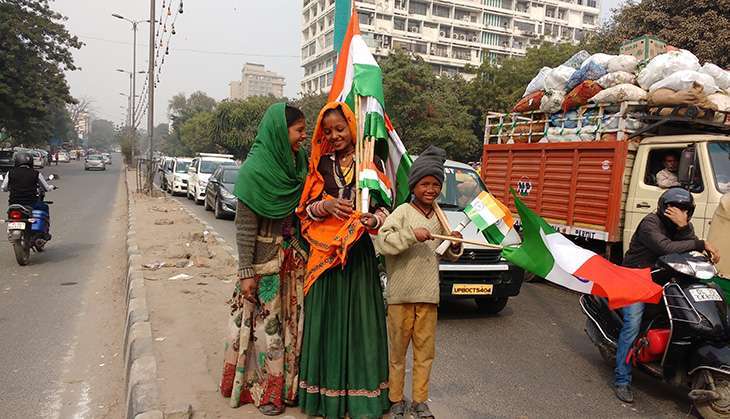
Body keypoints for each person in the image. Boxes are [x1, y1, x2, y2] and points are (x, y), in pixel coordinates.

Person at [296, 102, 391, 418]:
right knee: (327, 323)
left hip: (358, 254)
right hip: (326, 256)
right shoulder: (321, 164)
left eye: (340, 128)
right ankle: (326, 398)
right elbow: (305, 209)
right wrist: (324, 207)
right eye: (328, 131)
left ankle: (362, 399)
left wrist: (373, 221)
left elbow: (384, 207)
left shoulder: (370, 163)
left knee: (360, 323)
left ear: (352, 126)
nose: (334, 135)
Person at [219, 103, 309, 416]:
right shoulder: (254, 172)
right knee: (265, 333)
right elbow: (244, 227)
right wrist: (246, 273)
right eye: (298, 130)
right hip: (263, 269)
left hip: (293, 265)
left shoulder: (298, 165)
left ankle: (287, 389)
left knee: (291, 332)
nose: (303, 137)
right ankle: (263, 392)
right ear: (278, 132)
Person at [375, 145, 463, 419]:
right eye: (425, 183)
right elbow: (383, 242)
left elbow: (448, 251)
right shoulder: (401, 211)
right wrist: (412, 235)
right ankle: (396, 399)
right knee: (397, 353)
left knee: (425, 354)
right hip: (400, 295)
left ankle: (420, 401)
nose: (431, 189)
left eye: (436, 184)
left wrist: (456, 243)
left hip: (428, 296)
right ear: (414, 185)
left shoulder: (440, 216)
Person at [613, 187, 720, 403]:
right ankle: (622, 380)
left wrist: (687, 230)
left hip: (662, 278)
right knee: (632, 324)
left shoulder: (681, 226)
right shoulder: (650, 223)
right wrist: (700, 242)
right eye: (675, 207)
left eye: (685, 209)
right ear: (664, 207)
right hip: (636, 277)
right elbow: (665, 247)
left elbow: (688, 250)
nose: (680, 212)